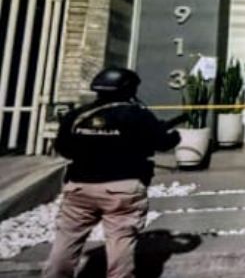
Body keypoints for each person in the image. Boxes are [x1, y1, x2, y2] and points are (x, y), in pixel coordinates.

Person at [44, 67, 182, 278]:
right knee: (120, 240)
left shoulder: (78, 115)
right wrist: (176, 136)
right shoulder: (138, 115)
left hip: (80, 186)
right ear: (130, 89)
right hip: (123, 188)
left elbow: (64, 148)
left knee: (67, 239)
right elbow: (162, 143)